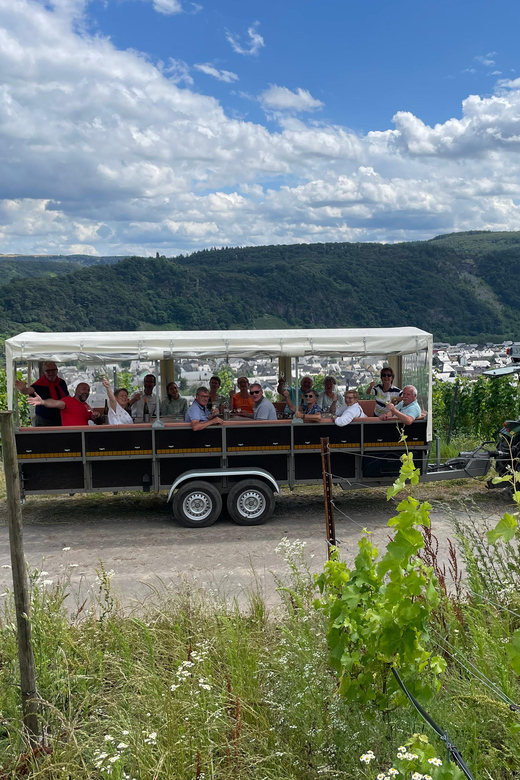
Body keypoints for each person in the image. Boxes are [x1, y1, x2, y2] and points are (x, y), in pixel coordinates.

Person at [15, 361, 68, 426]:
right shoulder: (39, 384)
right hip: (44, 420)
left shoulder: (61, 383)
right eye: (48, 371)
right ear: (44, 372)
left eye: (53, 370)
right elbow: (28, 391)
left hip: (61, 418)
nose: (51, 373)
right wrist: (23, 389)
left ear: (57, 371)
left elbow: (67, 398)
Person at [27, 383, 99, 426]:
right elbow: (56, 403)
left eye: (88, 390)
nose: (86, 392)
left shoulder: (86, 406)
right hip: (70, 437)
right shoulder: (68, 400)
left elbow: (92, 417)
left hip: (84, 437)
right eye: (84, 389)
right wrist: (43, 402)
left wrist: (95, 415)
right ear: (76, 390)